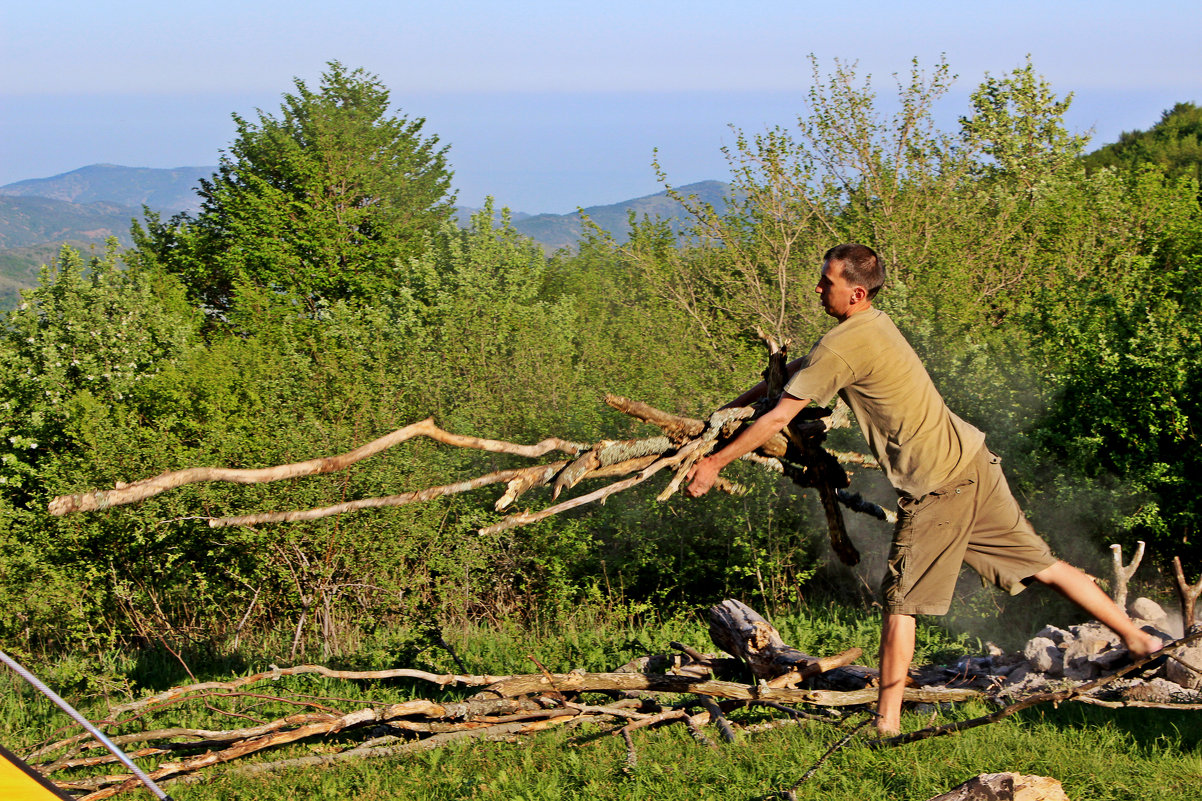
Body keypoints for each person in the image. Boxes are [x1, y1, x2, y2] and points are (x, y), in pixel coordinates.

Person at [684, 243, 1163, 736]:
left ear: (857, 292)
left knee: (900, 602)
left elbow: (783, 412)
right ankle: (1140, 640)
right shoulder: (870, 326)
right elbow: (785, 380)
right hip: (972, 461)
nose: (818, 288)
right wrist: (723, 416)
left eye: (827, 282)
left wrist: (715, 463)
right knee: (1044, 565)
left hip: (938, 485)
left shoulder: (842, 344)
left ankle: (884, 723)